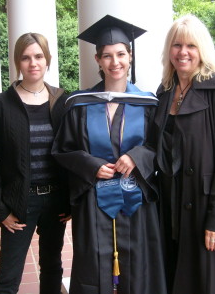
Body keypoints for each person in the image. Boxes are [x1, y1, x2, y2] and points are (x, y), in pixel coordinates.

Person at [52, 15, 167, 294]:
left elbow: (160, 145)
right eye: (107, 56)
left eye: (121, 54)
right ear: (98, 60)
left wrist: (136, 157)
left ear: (130, 57)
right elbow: (63, 150)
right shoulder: (78, 104)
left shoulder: (149, 102)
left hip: (136, 198)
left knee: (138, 265)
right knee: (94, 263)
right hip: (94, 199)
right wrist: (91, 165)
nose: (115, 62)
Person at [152, 14, 215, 294]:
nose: (183, 52)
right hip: (171, 206)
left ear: (202, 50)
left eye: (191, 46)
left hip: (205, 206)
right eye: (177, 45)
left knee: (210, 283)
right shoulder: (165, 91)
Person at [0, 32, 71, 294]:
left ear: (48, 60)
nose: (33, 63)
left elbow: (72, 153)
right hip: (19, 203)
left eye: (39, 56)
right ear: (18, 63)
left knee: (53, 267)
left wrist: (70, 200)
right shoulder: (0, 105)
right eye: (26, 57)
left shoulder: (62, 101)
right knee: (8, 277)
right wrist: (1, 211)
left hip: (55, 203)